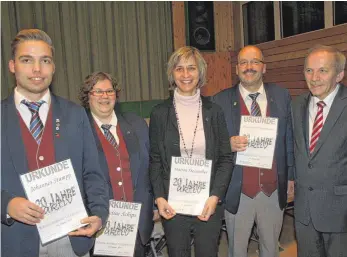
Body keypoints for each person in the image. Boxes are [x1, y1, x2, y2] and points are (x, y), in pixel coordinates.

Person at [1, 29, 109, 257]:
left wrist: (99, 214)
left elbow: (93, 173)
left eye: (45, 60)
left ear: (54, 67)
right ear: (12, 65)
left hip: (71, 239)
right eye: (26, 60)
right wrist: (6, 205)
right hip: (14, 242)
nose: (37, 69)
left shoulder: (75, 115)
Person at [148, 46, 233, 257]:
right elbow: (155, 160)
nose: (186, 75)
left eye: (191, 68)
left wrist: (215, 196)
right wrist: (159, 197)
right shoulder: (159, 114)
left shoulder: (214, 112)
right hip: (173, 204)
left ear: (200, 73)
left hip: (207, 203)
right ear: (172, 74)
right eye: (179, 69)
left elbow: (225, 158)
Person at [212, 45, 295, 257]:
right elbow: (210, 145)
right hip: (238, 192)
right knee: (237, 251)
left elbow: (289, 139)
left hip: (273, 190)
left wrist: (291, 178)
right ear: (236, 69)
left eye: (255, 62)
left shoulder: (282, 95)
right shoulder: (219, 101)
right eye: (243, 62)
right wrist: (226, 145)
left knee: (270, 249)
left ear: (264, 67)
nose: (249, 67)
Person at [79, 71, 156, 256]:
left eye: (109, 91)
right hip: (102, 226)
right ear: (87, 97)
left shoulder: (137, 124)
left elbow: (151, 166)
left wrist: (153, 205)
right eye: (97, 91)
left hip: (137, 222)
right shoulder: (78, 130)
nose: (104, 96)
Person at [292, 45, 347, 256]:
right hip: (304, 212)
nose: (314, 77)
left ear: (339, 74)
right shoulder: (296, 105)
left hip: (340, 212)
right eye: (309, 70)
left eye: (323, 70)